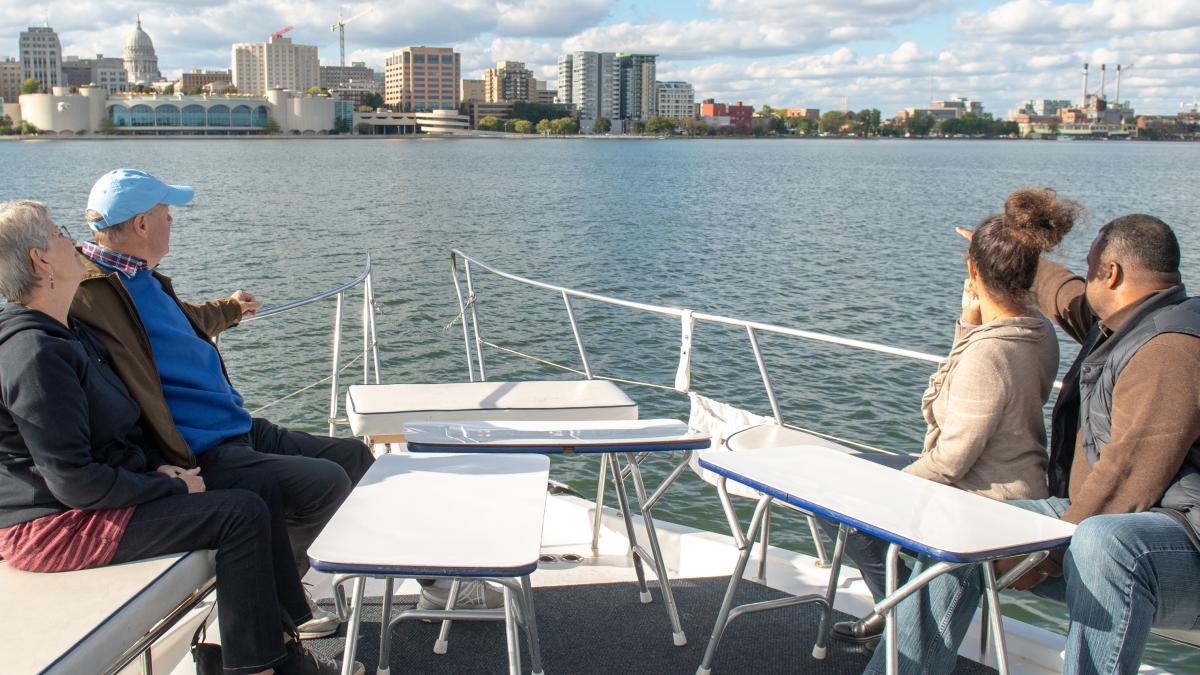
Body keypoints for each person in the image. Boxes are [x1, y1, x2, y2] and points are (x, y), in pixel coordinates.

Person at [0, 200, 360, 675]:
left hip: (87, 501)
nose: (72, 240)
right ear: (40, 260)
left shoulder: (67, 333)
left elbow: (100, 444)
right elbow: (74, 484)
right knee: (240, 512)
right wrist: (170, 486)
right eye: (59, 231)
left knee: (258, 489)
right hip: (51, 528)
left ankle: (276, 641)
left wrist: (155, 466)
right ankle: (261, 666)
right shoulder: (34, 353)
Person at [863, 213, 1200, 675]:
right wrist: (1007, 251)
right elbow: (1068, 299)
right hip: (1114, 521)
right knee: (965, 529)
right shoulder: (1128, 323)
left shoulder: (1169, 348)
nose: (1083, 277)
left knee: (1103, 542)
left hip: (1178, 542)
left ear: (1112, 273)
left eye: (1090, 266)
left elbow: (1127, 478)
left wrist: (1046, 552)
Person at [69, 168, 375, 638]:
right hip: (201, 446)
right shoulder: (86, 293)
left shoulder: (137, 277)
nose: (173, 219)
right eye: (165, 212)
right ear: (141, 225)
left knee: (357, 457)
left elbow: (176, 321)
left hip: (236, 424)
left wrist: (229, 309)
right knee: (324, 483)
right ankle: (276, 598)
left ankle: (408, 578)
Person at [829, 188, 1077, 647]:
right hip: (1014, 476)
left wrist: (888, 488)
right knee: (849, 468)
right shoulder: (1038, 330)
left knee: (837, 503)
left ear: (972, 270)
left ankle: (900, 614)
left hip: (986, 495)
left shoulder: (991, 352)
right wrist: (968, 323)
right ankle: (903, 608)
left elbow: (949, 462)